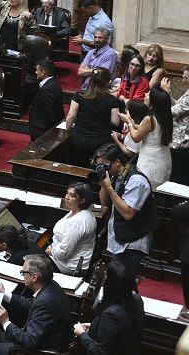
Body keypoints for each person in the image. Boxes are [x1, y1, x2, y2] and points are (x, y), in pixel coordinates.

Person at [94, 142, 154, 281]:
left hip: (132, 241)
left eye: (104, 164)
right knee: (121, 282)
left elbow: (128, 213)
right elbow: (105, 202)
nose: (102, 168)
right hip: (120, 237)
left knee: (121, 281)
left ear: (117, 162)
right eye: (99, 165)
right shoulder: (116, 175)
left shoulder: (136, 180)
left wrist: (110, 189)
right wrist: (104, 184)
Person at [115, 90, 173, 188]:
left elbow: (136, 138)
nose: (145, 95)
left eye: (148, 95)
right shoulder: (166, 116)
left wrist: (129, 122)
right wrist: (133, 124)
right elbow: (151, 130)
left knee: (144, 189)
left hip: (150, 161)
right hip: (164, 159)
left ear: (153, 101)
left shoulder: (149, 119)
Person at [65, 69, 121, 165]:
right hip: (101, 141)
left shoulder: (79, 96)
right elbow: (115, 122)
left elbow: (71, 116)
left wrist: (67, 127)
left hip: (80, 138)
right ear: (108, 82)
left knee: (78, 164)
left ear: (91, 80)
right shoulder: (112, 100)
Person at [46, 182, 96, 275]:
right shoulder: (80, 211)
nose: (66, 197)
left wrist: (49, 251)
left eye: (72, 195)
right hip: (62, 255)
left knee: (30, 258)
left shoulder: (77, 223)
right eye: (67, 193)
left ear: (82, 200)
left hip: (69, 265)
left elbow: (64, 253)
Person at [29, 59, 63, 139]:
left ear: (43, 72)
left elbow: (50, 113)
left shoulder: (46, 89)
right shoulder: (55, 84)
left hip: (42, 131)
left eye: (37, 70)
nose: (36, 72)